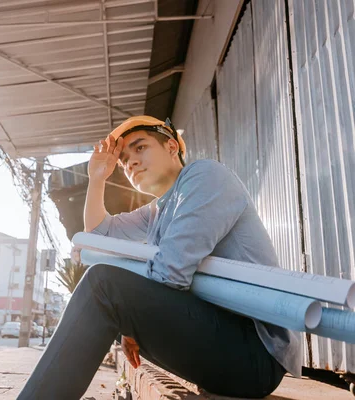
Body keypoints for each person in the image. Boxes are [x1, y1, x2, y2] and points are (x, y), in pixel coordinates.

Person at [17, 116, 301, 399]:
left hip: (256, 355)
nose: (131, 163)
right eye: (125, 159)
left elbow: (170, 273)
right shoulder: (157, 212)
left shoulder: (205, 176)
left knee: (104, 283)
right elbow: (99, 235)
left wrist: (129, 311)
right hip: (225, 347)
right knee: (106, 285)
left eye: (140, 148)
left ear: (171, 146)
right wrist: (97, 179)